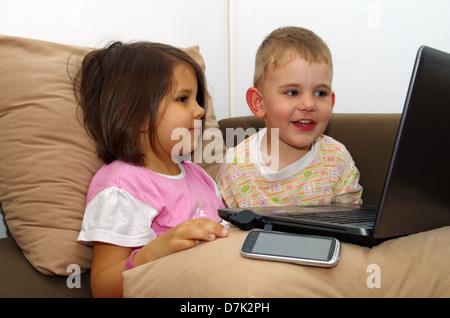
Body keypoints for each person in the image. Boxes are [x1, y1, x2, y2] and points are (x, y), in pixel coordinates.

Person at [75, 41, 228, 297]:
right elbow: (103, 288)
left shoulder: (200, 176)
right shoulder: (122, 188)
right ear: (139, 116)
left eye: (197, 100)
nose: (200, 110)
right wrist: (155, 251)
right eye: (183, 99)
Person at [217, 26, 362, 208]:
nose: (309, 104)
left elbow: (352, 224)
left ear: (331, 102)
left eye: (320, 93)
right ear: (259, 103)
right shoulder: (236, 165)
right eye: (292, 92)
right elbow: (226, 229)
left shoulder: (337, 159)